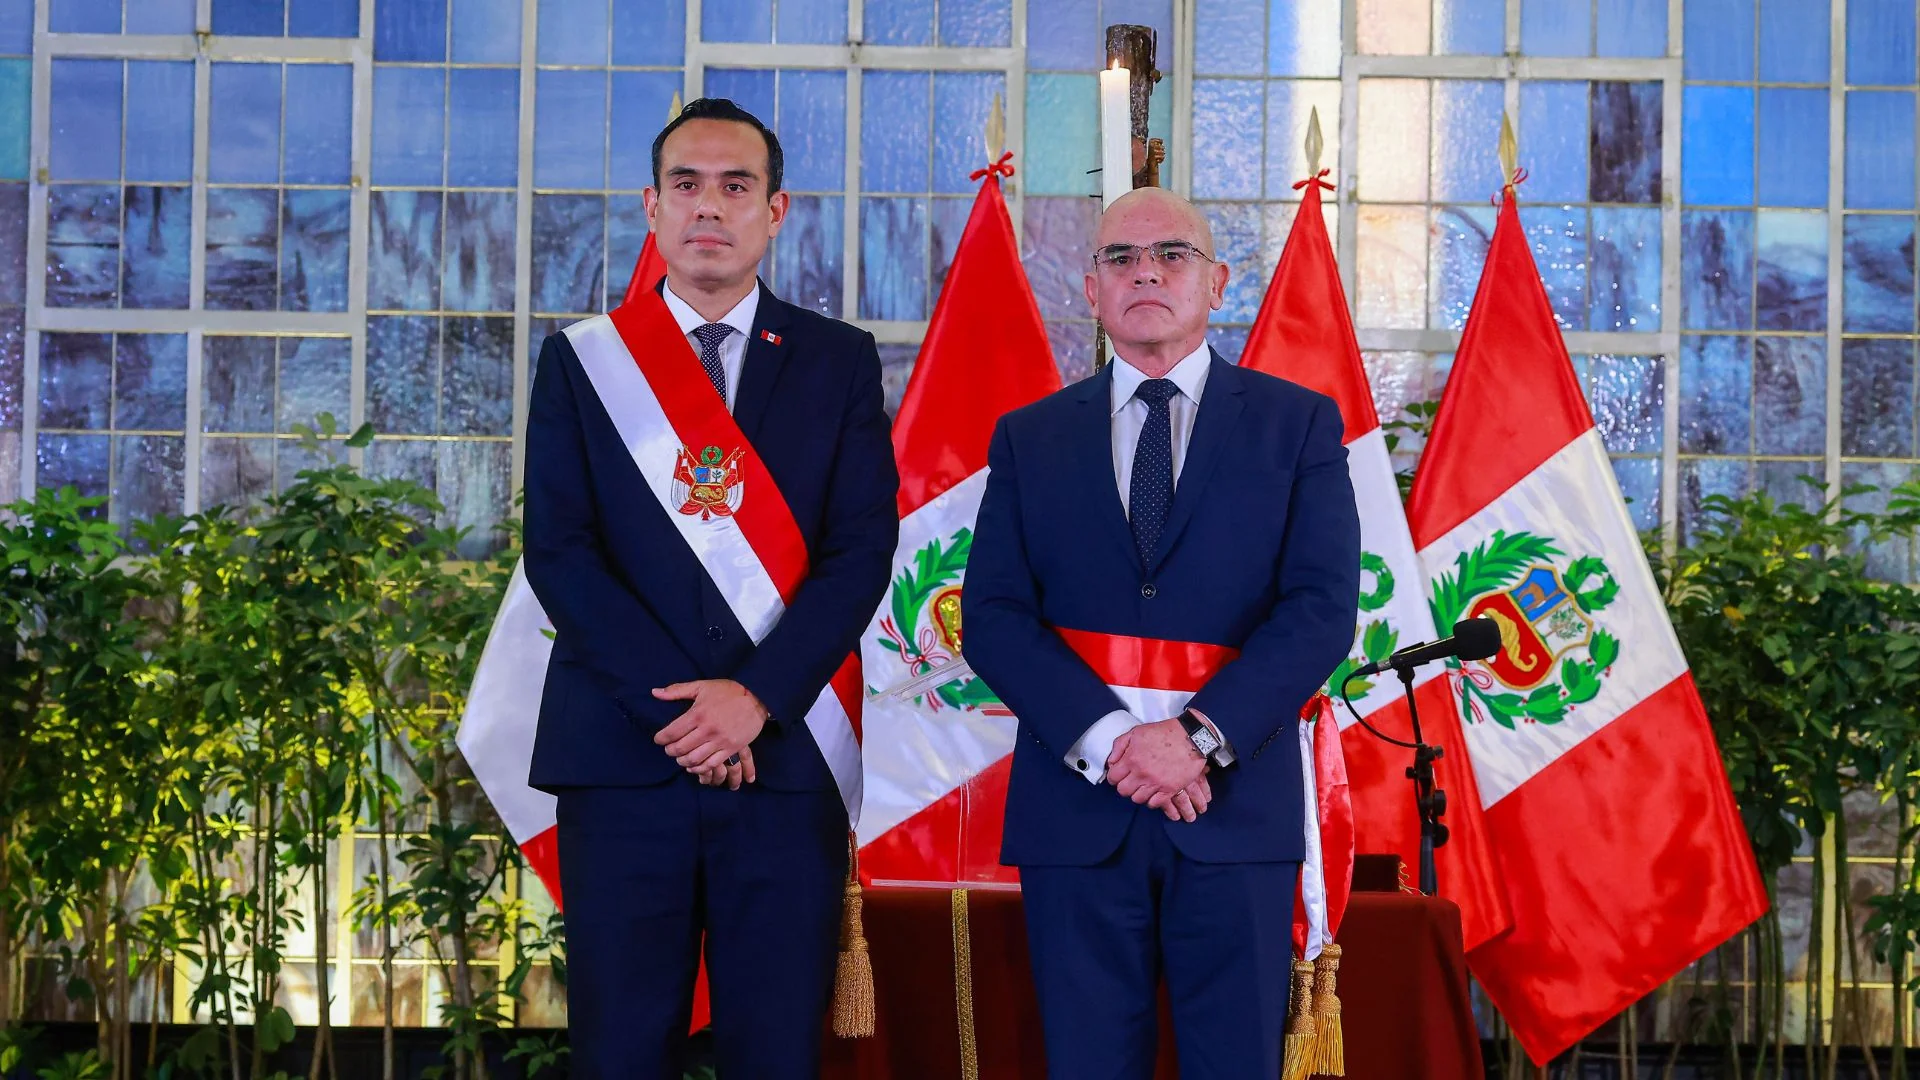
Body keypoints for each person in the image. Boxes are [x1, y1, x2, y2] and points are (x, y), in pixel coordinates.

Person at [521, 97, 899, 1079]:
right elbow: (559, 553)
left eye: (737, 187)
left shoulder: (837, 362)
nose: (709, 207)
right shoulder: (582, 362)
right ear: (651, 207)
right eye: (686, 185)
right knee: (619, 1051)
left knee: (776, 1052)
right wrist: (684, 714)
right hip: (622, 760)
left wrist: (755, 700)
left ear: (777, 212)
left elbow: (860, 550)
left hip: (782, 762)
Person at [961, 186, 1361, 1078]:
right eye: (1120, 258)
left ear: (1216, 282)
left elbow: (1322, 608)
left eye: (1171, 254)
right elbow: (991, 616)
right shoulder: (1028, 437)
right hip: (1079, 813)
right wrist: (1113, 744)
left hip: (1233, 805)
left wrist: (1194, 741)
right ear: (1093, 289)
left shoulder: (1297, 425)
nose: (1145, 271)